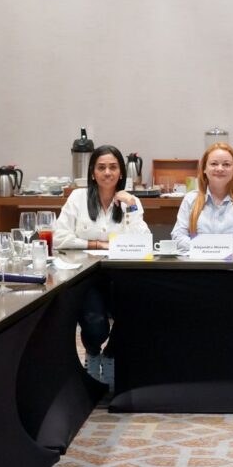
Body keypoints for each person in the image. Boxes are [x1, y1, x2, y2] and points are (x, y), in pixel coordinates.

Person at [53, 145, 150, 386]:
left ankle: (110, 355)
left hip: (121, 276)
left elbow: (143, 243)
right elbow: (59, 238)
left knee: (135, 314)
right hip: (87, 275)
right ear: (92, 172)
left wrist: (131, 206)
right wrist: (98, 244)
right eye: (101, 167)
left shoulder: (131, 201)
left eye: (113, 167)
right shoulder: (78, 198)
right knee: (96, 327)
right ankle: (93, 352)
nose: (107, 172)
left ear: (121, 172)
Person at [171, 143, 233, 250]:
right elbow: (177, 237)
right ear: (204, 169)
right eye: (214, 164)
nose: (220, 169)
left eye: (226, 164)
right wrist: (212, 246)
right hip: (198, 261)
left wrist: (216, 246)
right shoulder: (191, 199)